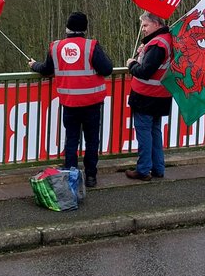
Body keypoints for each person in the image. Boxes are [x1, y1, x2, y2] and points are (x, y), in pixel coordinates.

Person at [29, 11, 113, 188]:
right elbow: (106, 69)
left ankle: (71, 174)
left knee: (71, 139)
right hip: (92, 103)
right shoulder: (92, 46)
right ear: (85, 29)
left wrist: (33, 65)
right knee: (92, 140)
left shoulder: (55, 47)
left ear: (67, 28)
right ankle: (91, 176)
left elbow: (45, 69)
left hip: (69, 103)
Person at [125, 12, 174, 181]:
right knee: (155, 131)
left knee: (144, 132)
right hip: (160, 95)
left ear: (156, 24)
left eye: (145, 25)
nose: (143, 29)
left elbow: (145, 71)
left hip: (147, 96)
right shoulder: (165, 39)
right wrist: (142, 53)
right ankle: (158, 168)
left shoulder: (158, 44)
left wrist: (132, 64)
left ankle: (143, 169)